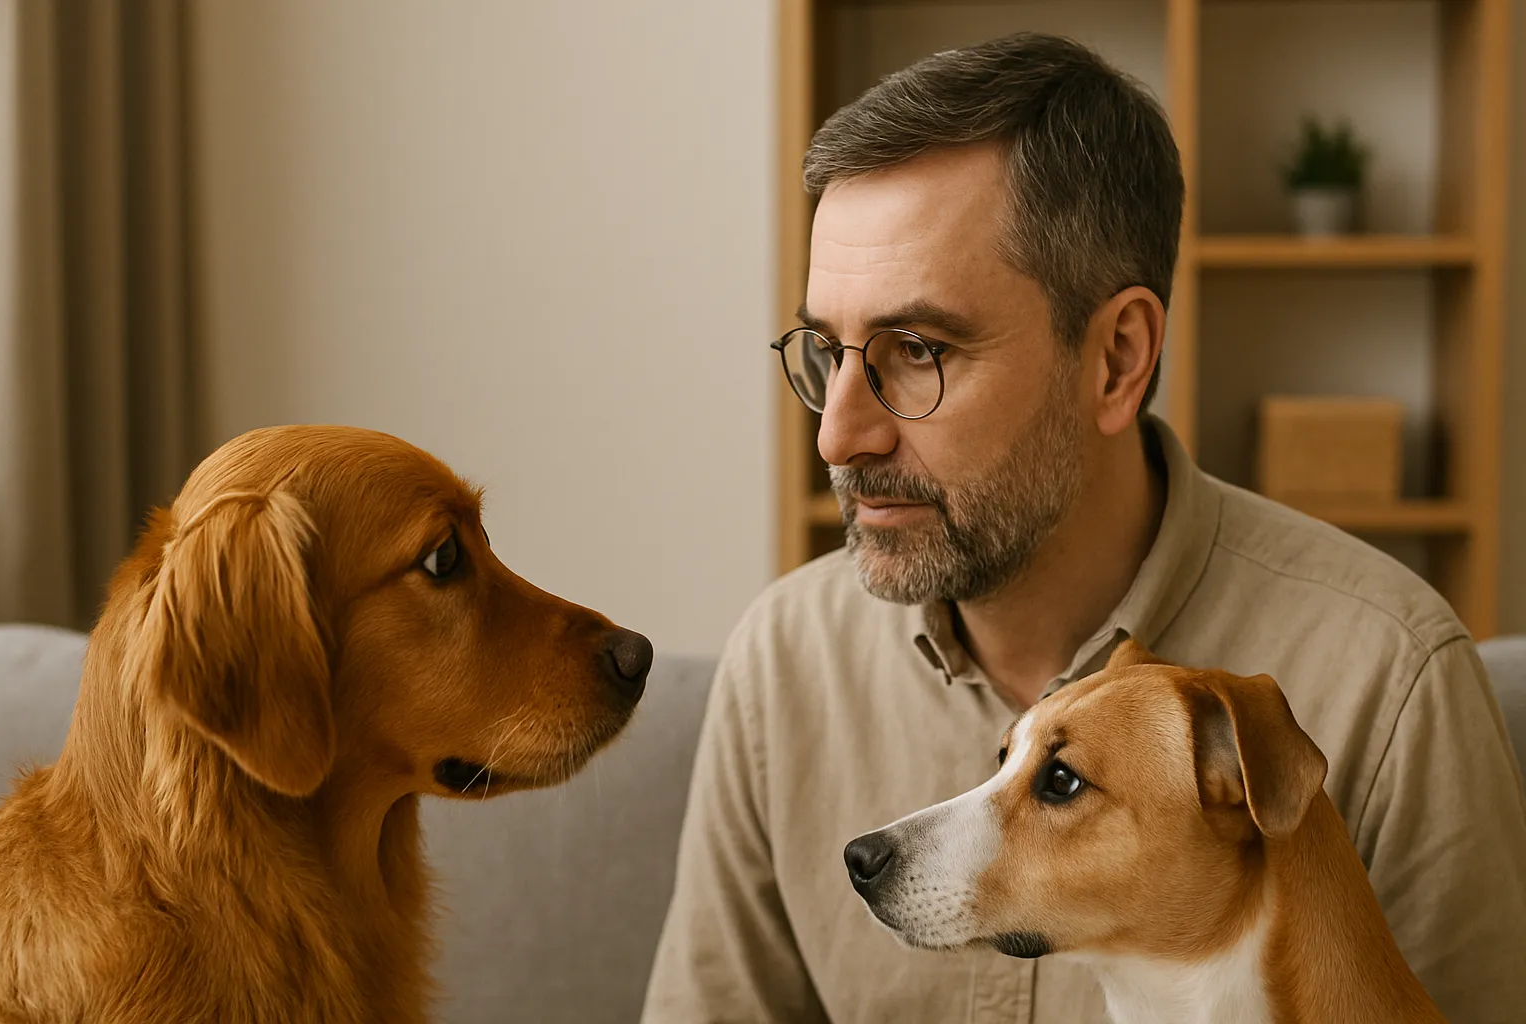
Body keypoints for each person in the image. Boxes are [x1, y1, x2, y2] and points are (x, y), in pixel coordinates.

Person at [642, 32, 1526, 1024]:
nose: (837, 434)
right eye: (828, 352)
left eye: (918, 350)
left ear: (1116, 359)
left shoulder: (1392, 679)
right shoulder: (781, 664)